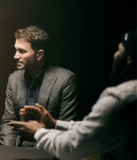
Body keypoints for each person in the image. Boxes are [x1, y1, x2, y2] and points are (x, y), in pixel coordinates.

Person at [9, 29, 136, 160]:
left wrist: (38, 132)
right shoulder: (13, 78)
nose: (15, 56)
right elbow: (90, 128)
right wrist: (55, 123)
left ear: (129, 59)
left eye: (119, 50)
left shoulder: (120, 99)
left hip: (50, 152)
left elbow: (74, 145)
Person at [0, 26, 79, 147]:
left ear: (39, 55)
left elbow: (65, 129)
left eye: (22, 51)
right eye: (16, 50)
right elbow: (8, 122)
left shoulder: (66, 79)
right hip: (16, 149)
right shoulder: (13, 78)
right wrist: (4, 153)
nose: (15, 56)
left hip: (48, 149)